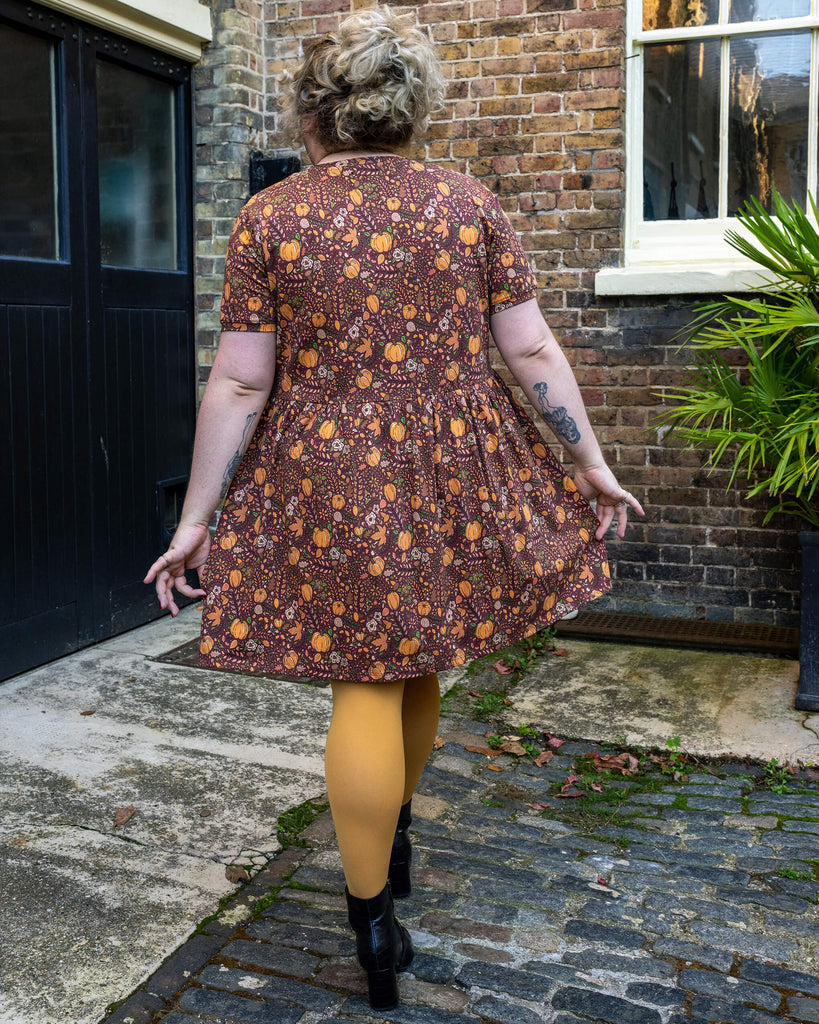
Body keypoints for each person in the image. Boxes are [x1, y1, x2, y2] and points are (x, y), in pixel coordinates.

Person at [144, 6, 644, 1011]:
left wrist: (195, 518)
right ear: (415, 109)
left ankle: (373, 922)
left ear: (312, 111)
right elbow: (530, 348)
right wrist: (587, 462)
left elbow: (239, 381)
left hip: (326, 470)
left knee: (369, 680)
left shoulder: (272, 217)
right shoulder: (469, 205)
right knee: (418, 658)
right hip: (453, 463)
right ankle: (390, 848)